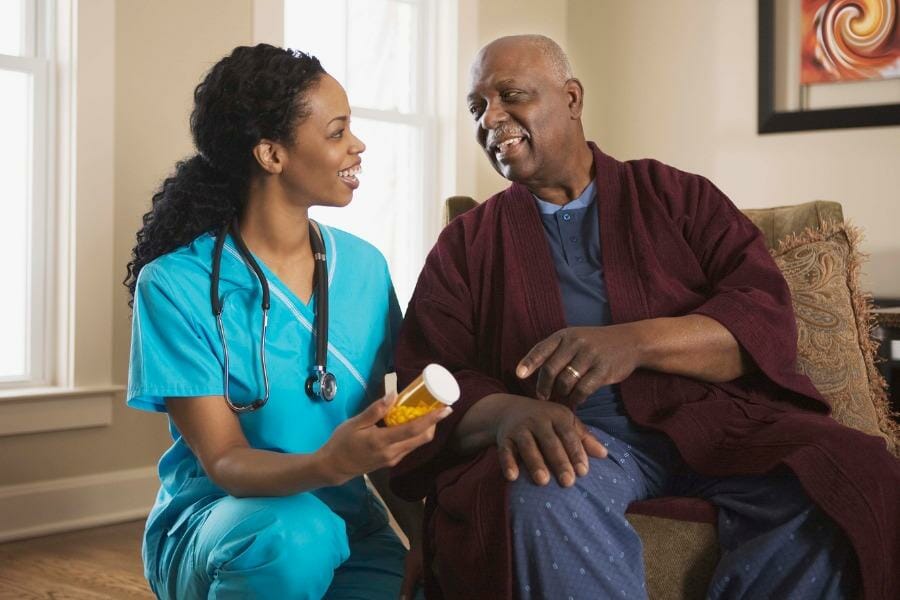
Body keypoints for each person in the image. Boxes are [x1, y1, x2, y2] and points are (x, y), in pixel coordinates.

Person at [390, 34, 899, 599]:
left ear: (573, 99)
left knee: (845, 479)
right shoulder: (466, 243)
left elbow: (762, 317)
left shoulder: (680, 197)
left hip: (718, 423)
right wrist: (507, 412)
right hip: (579, 439)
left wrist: (633, 343)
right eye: (477, 106)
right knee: (540, 492)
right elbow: (428, 381)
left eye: (511, 95)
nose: (492, 118)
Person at [125, 44, 443, 599]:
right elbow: (223, 460)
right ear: (272, 155)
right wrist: (328, 462)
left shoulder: (364, 268)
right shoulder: (174, 285)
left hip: (348, 524)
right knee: (295, 536)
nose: (357, 145)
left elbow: (384, 431)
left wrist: (424, 542)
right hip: (228, 525)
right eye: (337, 131)